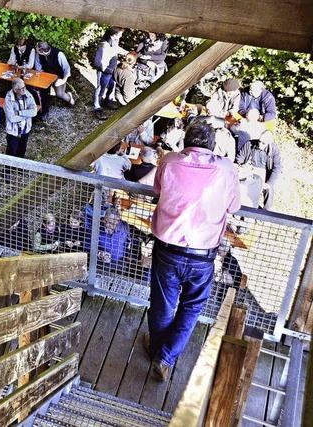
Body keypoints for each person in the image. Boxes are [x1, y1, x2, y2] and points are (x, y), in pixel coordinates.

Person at [147, 121, 241, 381]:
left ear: (186, 141)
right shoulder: (225, 168)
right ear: (212, 146)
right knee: (192, 307)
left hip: (168, 249)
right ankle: (165, 357)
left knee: (162, 304)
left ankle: (157, 351)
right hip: (203, 254)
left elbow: (157, 189)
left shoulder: (169, 161)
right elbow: (234, 206)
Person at [236, 130, 282, 210]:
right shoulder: (249, 144)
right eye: (260, 141)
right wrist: (242, 166)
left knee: (269, 190)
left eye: (263, 143)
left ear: (269, 143)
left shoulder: (274, 150)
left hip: (264, 174)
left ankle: (266, 212)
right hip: (249, 169)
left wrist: (269, 183)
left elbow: (277, 168)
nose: (260, 144)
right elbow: (240, 158)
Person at [93, 27, 128, 119]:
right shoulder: (104, 45)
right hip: (104, 72)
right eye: (120, 34)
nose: (121, 35)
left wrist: (127, 53)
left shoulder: (114, 41)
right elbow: (97, 61)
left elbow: (116, 49)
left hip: (111, 70)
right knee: (100, 89)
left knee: (111, 86)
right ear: (114, 35)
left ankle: (107, 101)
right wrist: (105, 69)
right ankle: (97, 107)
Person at [35, 41, 75, 118]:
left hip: (58, 76)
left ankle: (70, 98)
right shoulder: (38, 54)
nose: (37, 51)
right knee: (43, 92)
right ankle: (44, 111)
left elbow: (67, 69)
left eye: (38, 50)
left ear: (42, 50)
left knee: (60, 94)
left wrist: (63, 80)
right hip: (46, 75)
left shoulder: (59, 54)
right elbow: (38, 68)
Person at [4, 78, 38, 158]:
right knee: (11, 151)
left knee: (22, 150)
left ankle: (19, 168)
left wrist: (20, 113)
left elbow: (34, 112)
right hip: (13, 131)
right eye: (21, 89)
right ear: (15, 90)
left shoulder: (28, 95)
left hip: (25, 129)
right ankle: (8, 169)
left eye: (24, 87)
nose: (24, 90)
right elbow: (11, 118)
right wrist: (27, 115)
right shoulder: (9, 99)